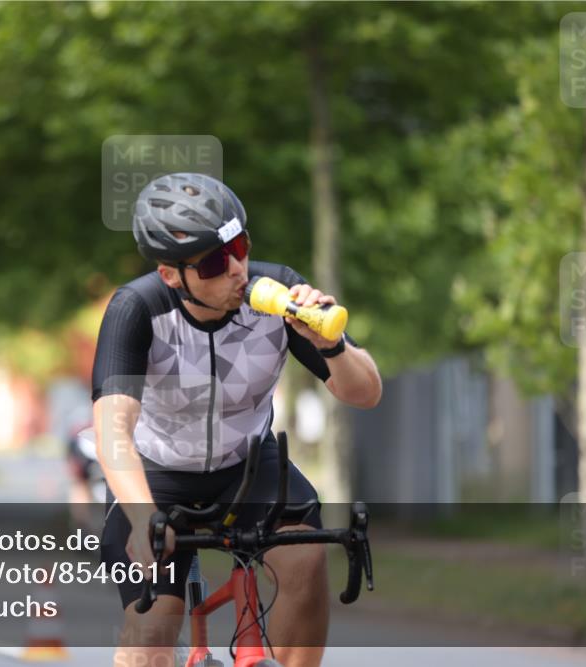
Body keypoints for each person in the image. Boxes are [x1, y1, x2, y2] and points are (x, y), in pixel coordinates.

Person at [90, 173, 382, 667]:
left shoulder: (281, 292)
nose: (236, 269)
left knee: (306, 559)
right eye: (212, 262)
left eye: (240, 246)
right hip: (157, 474)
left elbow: (366, 393)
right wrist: (142, 519)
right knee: (152, 631)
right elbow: (112, 428)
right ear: (170, 275)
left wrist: (328, 344)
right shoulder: (137, 309)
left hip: (247, 465)